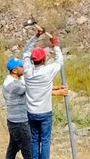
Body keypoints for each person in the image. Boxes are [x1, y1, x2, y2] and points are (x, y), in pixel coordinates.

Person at [23, 30, 67, 159]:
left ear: (32, 60)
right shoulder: (48, 71)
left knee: (35, 139)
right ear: (44, 59)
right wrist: (56, 45)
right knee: (45, 140)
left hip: (31, 112)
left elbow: (26, 50)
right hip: (45, 112)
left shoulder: (27, 70)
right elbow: (59, 61)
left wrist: (35, 36)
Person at [4, 57, 32, 159]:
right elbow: (31, 88)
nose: (23, 68)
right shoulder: (13, 84)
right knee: (28, 151)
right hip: (20, 122)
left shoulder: (12, 80)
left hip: (14, 121)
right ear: (14, 70)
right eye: (21, 66)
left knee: (13, 147)